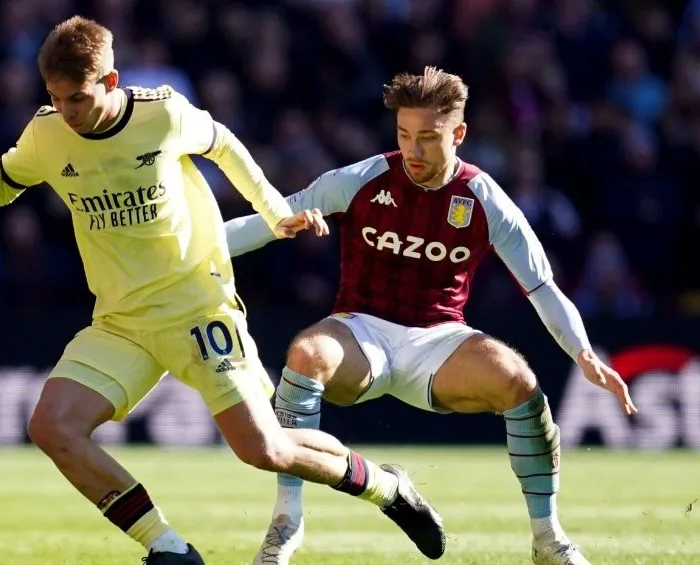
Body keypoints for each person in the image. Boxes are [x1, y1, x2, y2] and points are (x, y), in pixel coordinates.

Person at [0, 16, 445, 565]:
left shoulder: (161, 114)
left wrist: (278, 213)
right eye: (57, 99)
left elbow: (225, 146)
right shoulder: (46, 133)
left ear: (110, 84)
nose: (67, 111)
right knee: (51, 426)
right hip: (120, 323)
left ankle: (386, 487)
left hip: (197, 307)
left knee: (265, 449)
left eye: (78, 99)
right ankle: (167, 548)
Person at [225, 67, 638, 565]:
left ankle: (548, 539)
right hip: (361, 333)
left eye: (426, 138)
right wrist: (182, 253)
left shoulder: (484, 200)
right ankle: (285, 524)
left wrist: (584, 353)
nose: (412, 150)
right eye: (403, 135)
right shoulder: (361, 179)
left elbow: (542, 286)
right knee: (306, 354)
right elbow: (269, 220)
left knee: (521, 383)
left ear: (458, 134)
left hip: (440, 340)